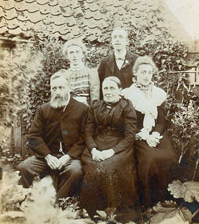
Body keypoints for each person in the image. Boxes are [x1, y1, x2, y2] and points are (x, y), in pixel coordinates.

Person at [17, 73, 88, 200]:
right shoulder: (43, 109)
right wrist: (48, 156)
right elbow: (33, 136)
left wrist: (68, 157)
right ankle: (29, 200)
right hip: (47, 156)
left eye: (61, 87)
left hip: (70, 157)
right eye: (54, 88)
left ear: (68, 88)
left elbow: (83, 139)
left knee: (75, 171)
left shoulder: (82, 109)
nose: (57, 92)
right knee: (24, 167)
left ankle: (58, 202)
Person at [122, 56, 178, 207]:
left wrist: (155, 134)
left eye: (149, 72)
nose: (146, 76)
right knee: (150, 158)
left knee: (170, 155)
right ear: (136, 75)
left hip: (156, 133)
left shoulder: (158, 94)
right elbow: (128, 121)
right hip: (139, 134)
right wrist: (145, 136)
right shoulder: (128, 94)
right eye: (143, 72)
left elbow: (161, 120)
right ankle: (148, 203)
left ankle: (165, 198)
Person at [80, 76, 138, 219]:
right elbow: (88, 132)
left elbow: (130, 136)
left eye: (112, 88)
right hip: (97, 145)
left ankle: (113, 208)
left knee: (108, 167)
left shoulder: (126, 106)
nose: (108, 92)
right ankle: (92, 209)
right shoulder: (95, 106)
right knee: (93, 167)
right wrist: (93, 149)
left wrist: (111, 152)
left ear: (119, 90)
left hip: (120, 147)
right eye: (105, 88)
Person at [98, 27, 139, 97]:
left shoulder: (136, 60)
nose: (117, 40)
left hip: (131, 103)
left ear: (127, 41)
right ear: (111, 42)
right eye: (114, 37)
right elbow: (100, 85)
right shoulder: (104, 62)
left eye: (121, 37)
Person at [58, 39, 100, 105]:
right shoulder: (64, 75)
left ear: (82, 54)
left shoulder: (91, 73)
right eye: (71, 52)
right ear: (67, 56)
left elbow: (95, 97)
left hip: (86, 109)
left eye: (77, 52)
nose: (74, 55)